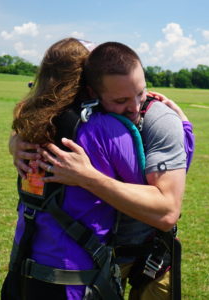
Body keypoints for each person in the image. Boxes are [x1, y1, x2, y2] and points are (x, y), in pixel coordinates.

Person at [10, 42, 195, 299]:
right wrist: (16, 141)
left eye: (141, 93)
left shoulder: (159, 121)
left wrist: (183, 129)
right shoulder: (95, 126)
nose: (136, 107)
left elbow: (165, 209)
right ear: (91, 92)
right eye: (120, 100)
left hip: (145, 250)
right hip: (99, 255)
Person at [1, 38, 145, 299]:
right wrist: (184, 130)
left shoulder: (28, 125)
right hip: (75, 283)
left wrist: (13, 142)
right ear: (89, 82)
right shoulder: (107, 129)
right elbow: (146, 192)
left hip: (21, 272)